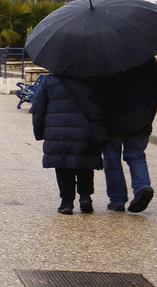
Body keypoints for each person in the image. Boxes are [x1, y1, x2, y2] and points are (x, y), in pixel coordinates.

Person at [85, 57, 157, 213]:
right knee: (136, 155)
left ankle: (117, 199)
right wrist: (148, 117)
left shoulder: (107, 59)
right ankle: (142, 187)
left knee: (112, 159)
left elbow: (100, 92)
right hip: (141, 119)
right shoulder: (146, 58)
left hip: (113, 121)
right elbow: (156, 89)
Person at [30, 72, 106, 214]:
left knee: (62, 164)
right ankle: (85, 197)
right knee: (85, 162)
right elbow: (103, 105)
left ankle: (66, 202)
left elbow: (38, 108)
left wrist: (39, 132)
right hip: (86, 130)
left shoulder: (50, 80)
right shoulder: (94, 79)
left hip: (57, 132)